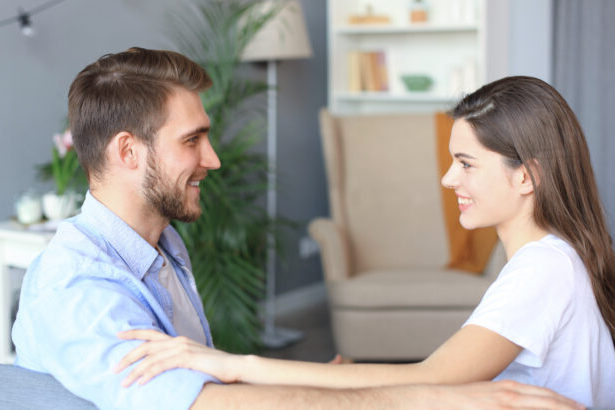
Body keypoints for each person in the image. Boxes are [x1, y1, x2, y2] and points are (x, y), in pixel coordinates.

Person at [11, 48, 582, 409]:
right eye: (192, 140)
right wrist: (434, 398)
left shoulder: (159, 246)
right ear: (128, 152)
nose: (213, 160)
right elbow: (203, 405)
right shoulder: (78, 288)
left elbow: (206, 385)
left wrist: (307, 381)